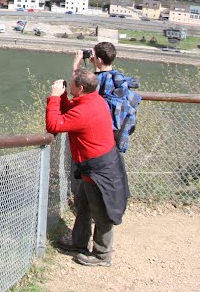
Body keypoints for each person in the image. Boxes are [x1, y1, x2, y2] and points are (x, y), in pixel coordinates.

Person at [46, 65, 130, 267]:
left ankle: (102, 255)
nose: (70, 82)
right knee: (83, 205)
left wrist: (55, 97)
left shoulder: (85, 110)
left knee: (102, 211)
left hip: (100, 171)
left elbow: (54, 125)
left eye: (72, 82)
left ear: (81, 88)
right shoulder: (93, 100)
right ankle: (79, 242)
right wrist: (64, 97)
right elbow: (70, 112)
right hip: (93, 168)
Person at [74, 42, 141, 152]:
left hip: (99, 138)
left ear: (99, 60)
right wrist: (97, 66)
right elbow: (102, 82)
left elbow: (78, 90)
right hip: (116, 134)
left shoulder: (100, 79)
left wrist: (76, 65)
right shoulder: (118, 78)